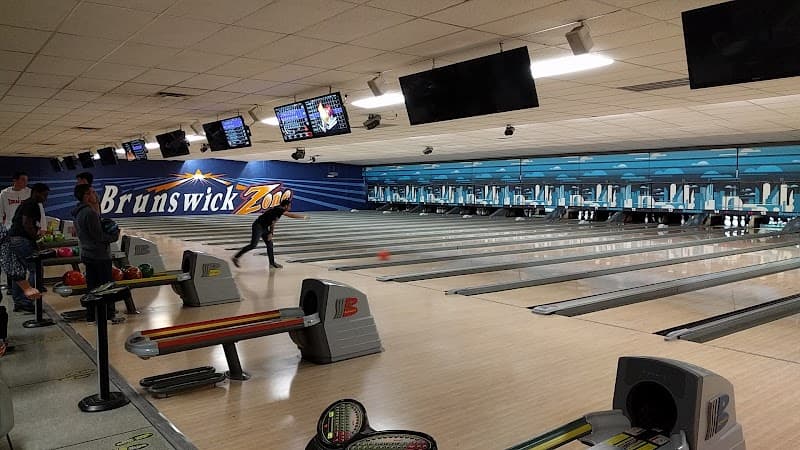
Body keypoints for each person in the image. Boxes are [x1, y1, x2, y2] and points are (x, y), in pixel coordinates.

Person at [72, 184, 119, 322]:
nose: (96, 194)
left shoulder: (79, 212)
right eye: (92, 192)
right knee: (106, 286)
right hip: (99, 256)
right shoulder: (90, 213)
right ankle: (108, 314)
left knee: (92, 287)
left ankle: (92, 314)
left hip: (88, 254)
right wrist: (114, 236)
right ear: (86, 196)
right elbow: (99, 236)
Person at [5, 183, 48, 313]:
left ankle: (19, 301)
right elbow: (27, 223)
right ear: (36, 192)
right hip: (21, 240)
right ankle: (27, 300)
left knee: (20, 271)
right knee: (36, 269)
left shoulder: (26, 203)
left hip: (13, 239)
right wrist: (36, 238)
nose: (45, 198)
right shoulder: (31, 204)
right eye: (44, 195)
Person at [0, 172, 46, 293]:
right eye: (23, 180)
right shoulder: (5, 194)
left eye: (26, 180)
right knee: (27, 266)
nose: (25, 182)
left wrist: (43, 227)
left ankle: (22, 293)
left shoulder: (30, 194)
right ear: (15, 180)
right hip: (14, 232)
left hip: (17, 234)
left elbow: (40, 213)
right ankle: (27, 291)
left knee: (19, 266)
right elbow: (26, 222)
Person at [231, 200, 308, 269]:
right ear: (285, 206)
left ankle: (272, 263)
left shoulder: (277, 211)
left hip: (264, 227)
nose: (290, 208)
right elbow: (291, 215)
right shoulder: (279, 209)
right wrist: (303, 217)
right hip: (258, 226)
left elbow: (273, 223)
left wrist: (271, 233)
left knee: (270, 244)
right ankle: (236, 257)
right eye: (289, 206)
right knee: (253, 245)